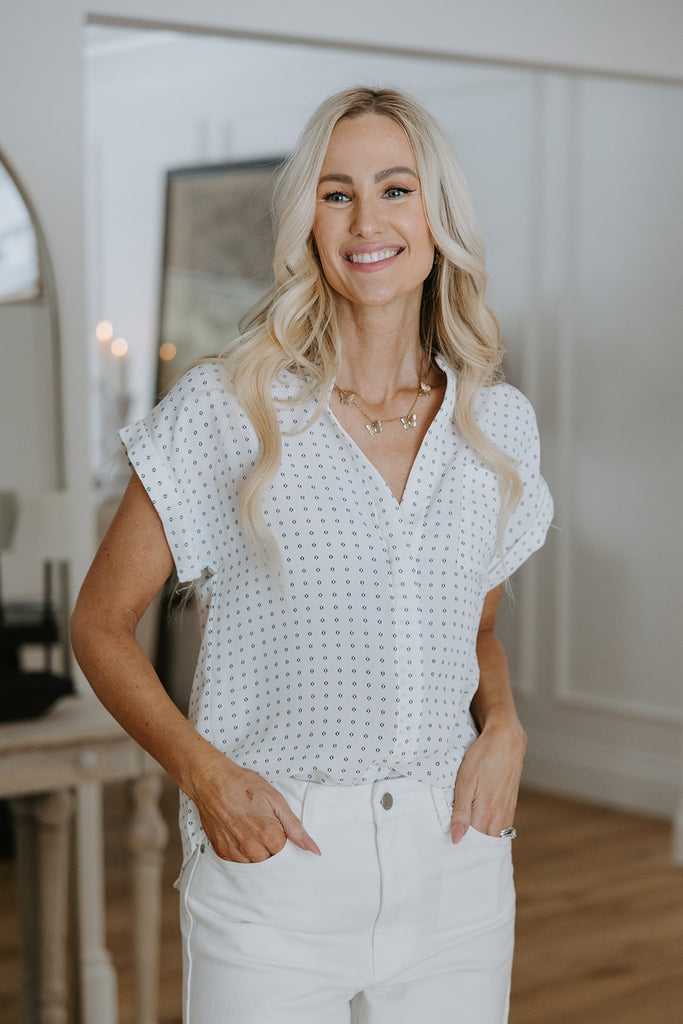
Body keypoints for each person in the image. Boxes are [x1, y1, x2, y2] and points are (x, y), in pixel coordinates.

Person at [71, 86, 553, 1024]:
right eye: (335, 194)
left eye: (394, 188)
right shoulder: (226, 408)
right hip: (276, 864)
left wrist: (504, 727)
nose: (366, 220)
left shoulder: (498, 424)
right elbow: (99, 624)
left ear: (436, 214)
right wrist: (204, 776)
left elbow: (479, 625)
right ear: (308, 222)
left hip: (456, 862)